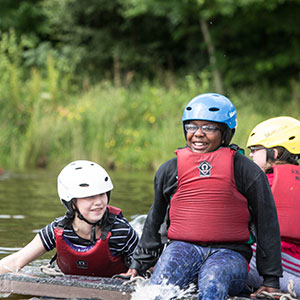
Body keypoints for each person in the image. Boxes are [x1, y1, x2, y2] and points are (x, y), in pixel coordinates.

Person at [123, 93, 282, 300]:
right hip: (182, 248)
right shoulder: (169, 170)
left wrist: (270, 280)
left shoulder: (247, 171)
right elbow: (155, 220)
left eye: (208, 127)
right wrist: (138, 265)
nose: (198, 134)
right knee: (161, 283)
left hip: (230, 254)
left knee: (213, 281)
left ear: (226, 133)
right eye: (191, 127)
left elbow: (266, 223)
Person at [0, 160, 139, 277]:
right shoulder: (57, 229)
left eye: (102, 194)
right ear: (72, 202)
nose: (99, 202)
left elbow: (149, 268)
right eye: (89, 196)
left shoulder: (121, 231)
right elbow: (16, 261)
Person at [246, 116, 300, 295]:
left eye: (255, 150)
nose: (251, 155)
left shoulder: (262, 183)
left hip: (276, 269)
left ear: (274, 153)